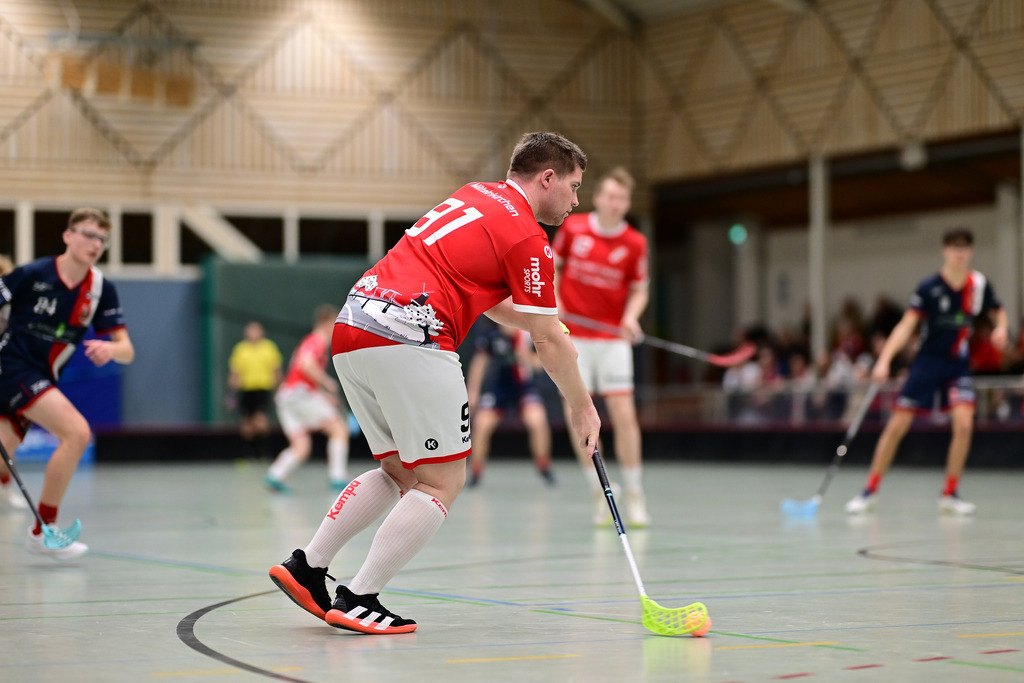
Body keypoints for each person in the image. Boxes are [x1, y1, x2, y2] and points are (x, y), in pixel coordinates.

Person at [268, 131, 600, 634]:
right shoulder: (529, 238)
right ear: (547, 178)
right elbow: (551, 345)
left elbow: (485, 297)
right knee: (444, 480)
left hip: (353, 327)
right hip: (410, 338)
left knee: (400, 471)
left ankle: (307, 566)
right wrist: (581, 405)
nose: (576, 201)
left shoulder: (473, 195)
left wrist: (541, 321)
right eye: (574, 187)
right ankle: (358, 596)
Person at [0, 208, 134, 559]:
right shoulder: (32, 274)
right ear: (67, 235)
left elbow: (127, 350)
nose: (95, 244)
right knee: (76, 433)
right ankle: (42, 530)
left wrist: (111, 348)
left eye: (102, 239)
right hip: (11, 366)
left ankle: (39, 530)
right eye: (88, 234)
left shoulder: (100, 289)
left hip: (41, 377)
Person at [845, 228, 1007, 515]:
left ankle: (950, 493)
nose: (959, 252)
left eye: (964, 247)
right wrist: (884, 360)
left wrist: (1001, 329)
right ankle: (869, 490)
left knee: (965, 424)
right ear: (944, 251)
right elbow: (906, 326)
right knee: (897, 427)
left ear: (970, 251)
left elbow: (998, 310)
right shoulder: (929, 287)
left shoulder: (979, 285)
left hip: (957, 363)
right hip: (927, 362)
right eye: (954, 246)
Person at [551, 166, 651, 527]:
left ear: (626, 203)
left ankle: (636, 493)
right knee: (579, 417)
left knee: (624, 417)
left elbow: (640, 288)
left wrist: (631, 317)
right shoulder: (574, 228)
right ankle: (600, 492)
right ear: (597, 198)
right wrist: (557, 298)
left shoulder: (635, 243)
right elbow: (554, 268)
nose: (614, 203)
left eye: (621, 198)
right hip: (573, 336)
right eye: (609, 196)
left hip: (612, 340)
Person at [265, 304, 351, 492]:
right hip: (299, 395)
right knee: (339, 429)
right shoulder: (317, 341)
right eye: (335, 323)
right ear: (326, 322)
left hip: (287, 398)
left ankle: (275, 475)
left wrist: (323, 395)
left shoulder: (310, 341)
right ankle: (338, 477)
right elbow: (306, 364)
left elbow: (301, 372)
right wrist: (327, 382)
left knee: (301, 446)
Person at [465, 321, 555, 488]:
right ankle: (475, 473)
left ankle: (544, 467)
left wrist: (526, 357)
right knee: (482, 424)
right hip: (499, 389)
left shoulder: (528, 335)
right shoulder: (490, 335)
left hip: (524, 388)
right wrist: (473, 392)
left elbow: (539, 366)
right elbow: (479, 363)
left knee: (537, 421)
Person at [227, 320, 282, 456]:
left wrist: (278, 390)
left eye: (256, 330)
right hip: (246, 390)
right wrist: (232, 393)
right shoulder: (240, 349)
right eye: (251, 330)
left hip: (262, 389)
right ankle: (247, 452)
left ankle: (263, 451)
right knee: (247, 425)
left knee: (260, 421)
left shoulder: (269, 348)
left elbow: (276, 371)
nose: (253, 333)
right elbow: (235, 373)